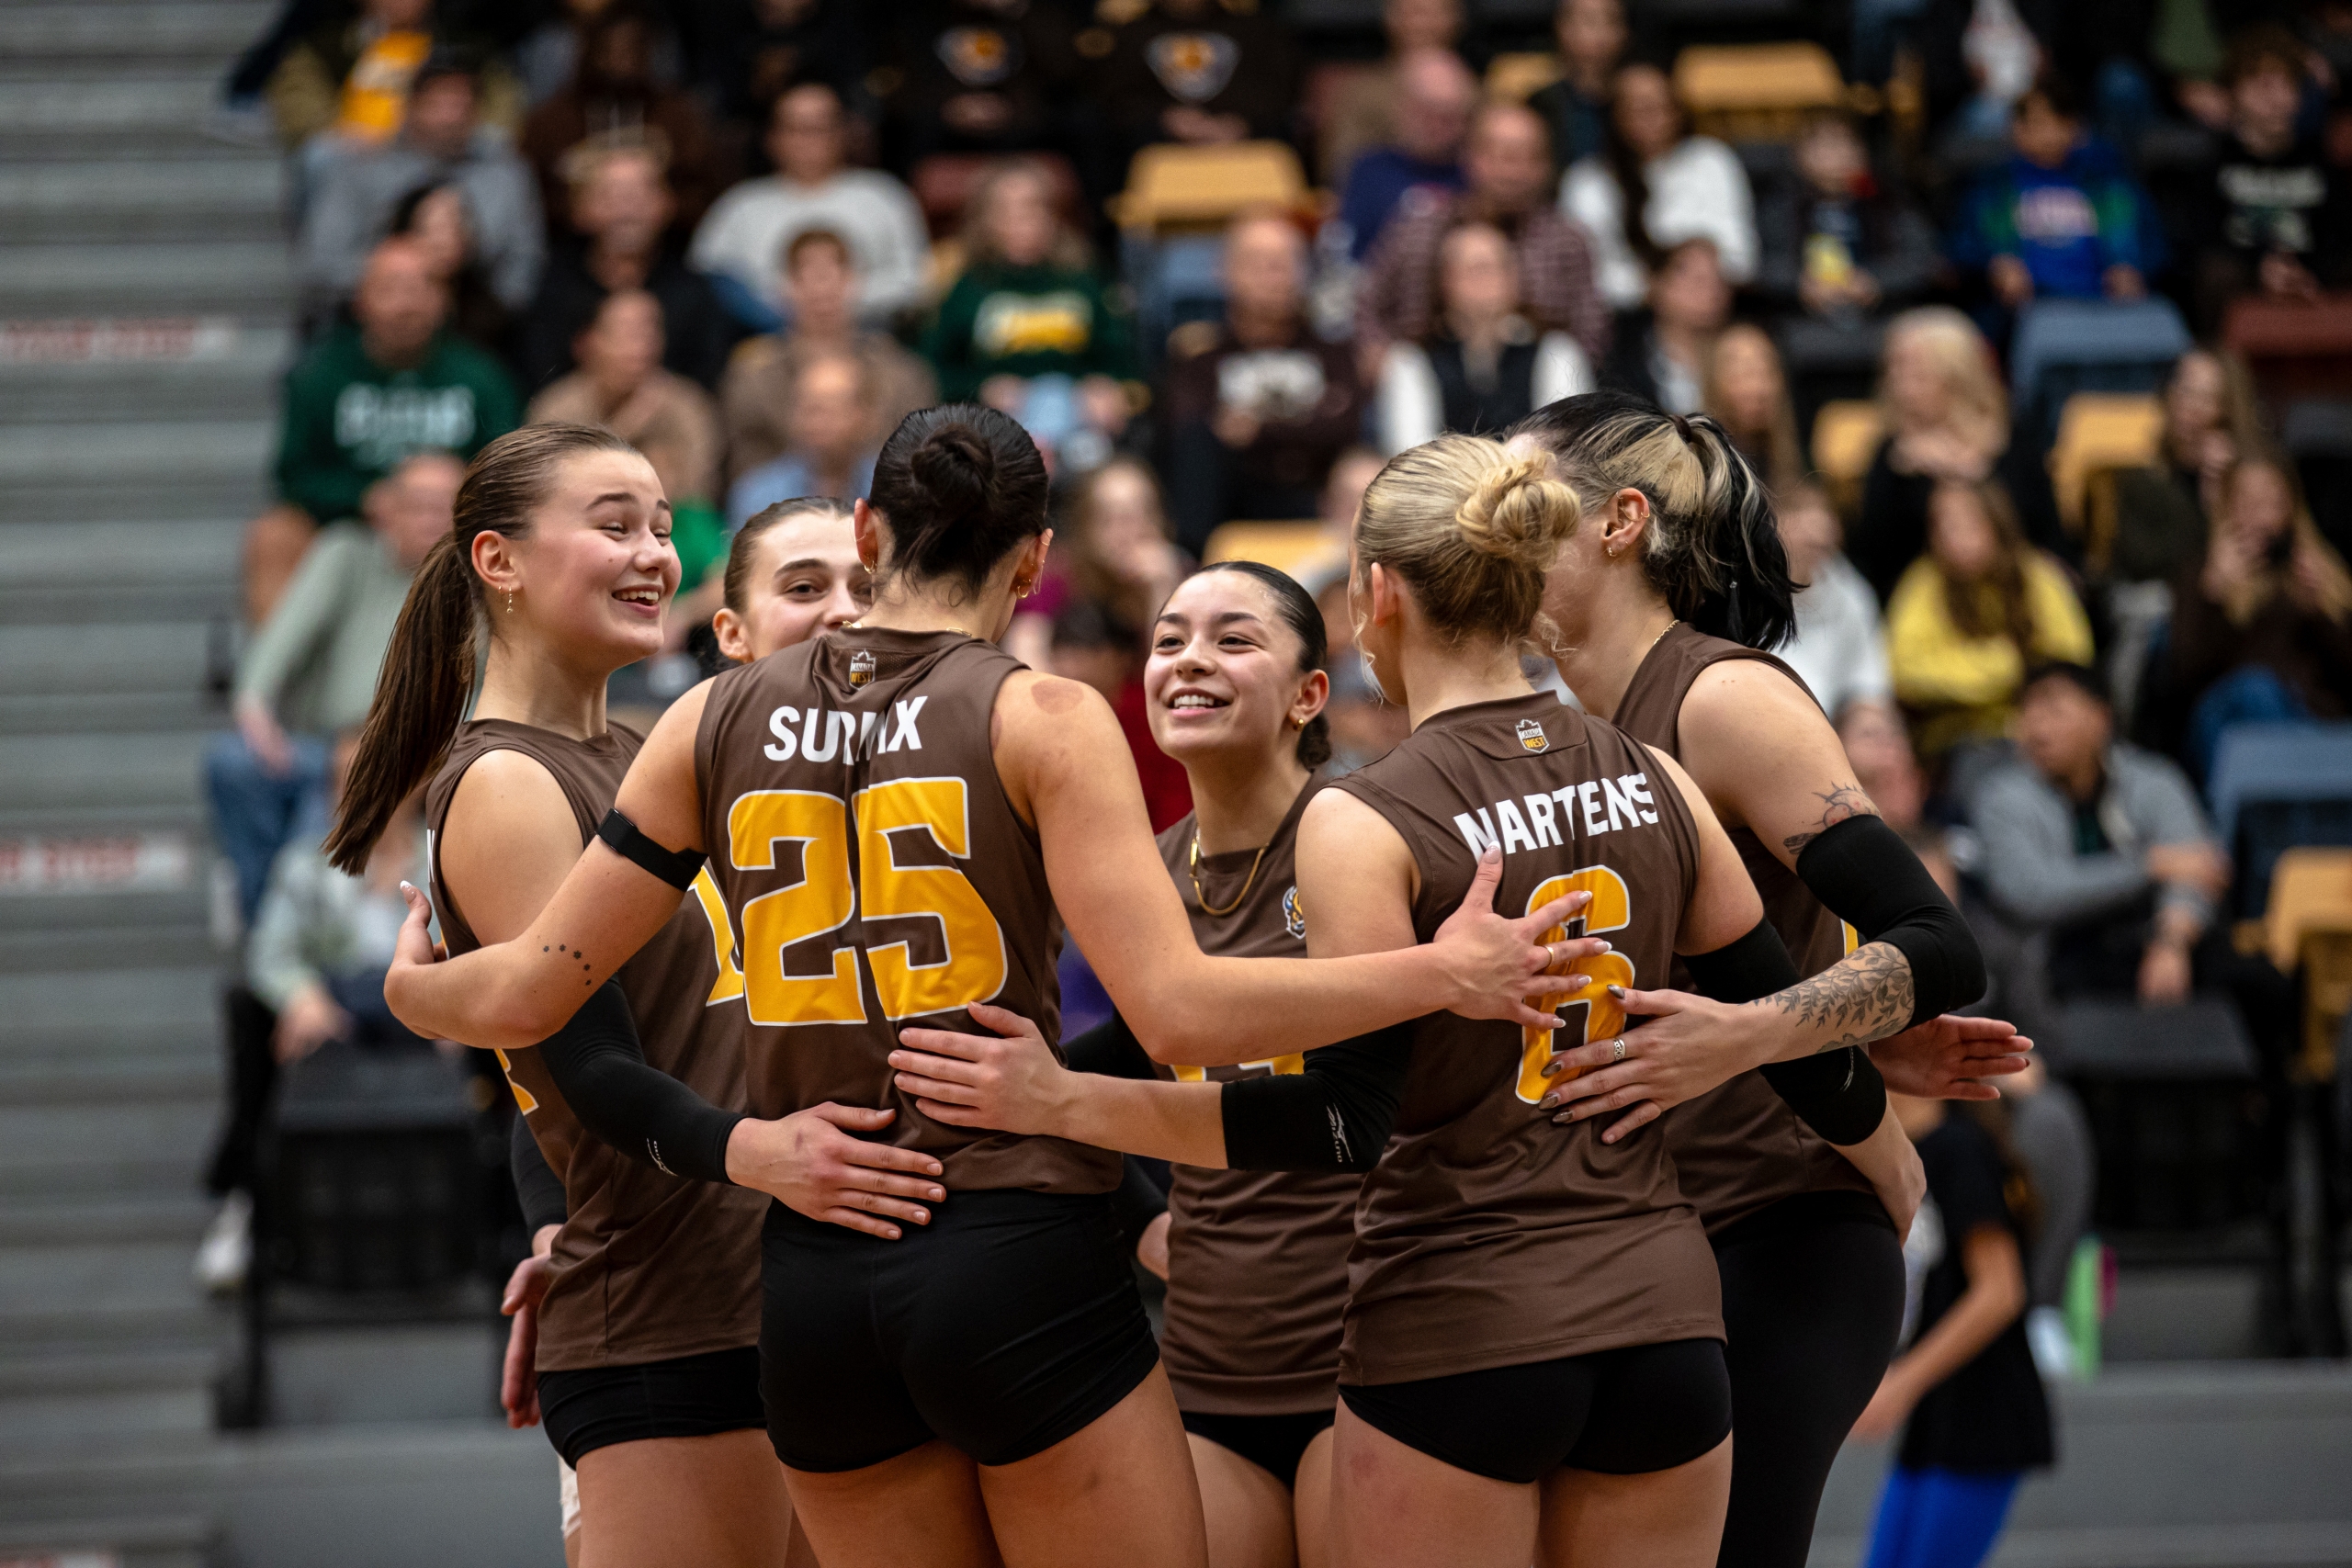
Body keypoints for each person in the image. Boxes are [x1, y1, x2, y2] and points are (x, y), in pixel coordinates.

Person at [375, 404, 1587, 1568]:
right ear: (1035, 561)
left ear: (865, 532)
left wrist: (415, 991)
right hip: (1004, 1242)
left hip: (812, 1278)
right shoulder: (1041, 712)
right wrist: (1438, 969)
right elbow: (1179, 1015)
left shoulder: (703, 717)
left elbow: (536, 995)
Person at [887, 433, 1941, 1568]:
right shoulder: (1654, 772)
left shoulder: (1365, 816)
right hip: (1662, 1322)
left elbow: (1344, 1124)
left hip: (1461, 1321)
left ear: (1373, 595)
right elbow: (1786, 1021)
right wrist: (1885, 1157)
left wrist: (1068, 1107)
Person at [325, 427, 910, 1568]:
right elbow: (586, 1071)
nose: (652, 553)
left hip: (762, 1291)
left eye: (658, 525)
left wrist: (556, 1214)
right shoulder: (504, 780)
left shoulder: (640, 753)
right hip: (667, 1316)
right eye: (613, 524)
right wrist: (762, 1156)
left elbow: (609, 1055)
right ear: (498, 560)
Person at [1510, 391, 2030, 1568]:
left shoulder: (1723, 696)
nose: (1488, 528)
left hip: (1779, 1227)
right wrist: (1831, 1030)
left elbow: (1937, 940)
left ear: (1618, 522)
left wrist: (1753, 1033)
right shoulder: (1555, 723)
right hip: (1632, 1231)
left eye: (1519, 498)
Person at [195, 729, 434, 1294]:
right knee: (256, 1014)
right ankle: (250, 1204)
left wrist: (453, 1011)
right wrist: (302, 997)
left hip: (425, 1016)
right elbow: (270, 955)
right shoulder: (308, 864)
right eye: (345, 777)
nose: (359, 787)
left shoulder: (442, 856)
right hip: (337, 1021)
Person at [215, 451, 464, 928]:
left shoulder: (479, 580)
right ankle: (264, 937)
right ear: (385, 508)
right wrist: (253, 706)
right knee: (233, 763)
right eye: (419, 504)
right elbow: (281, 640)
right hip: (327, 747)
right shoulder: (347, 554)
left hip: (427, 757)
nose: (431, 519)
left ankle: (302, 940)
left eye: (445, 506)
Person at [250, 237, 520, 623]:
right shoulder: (321, 374)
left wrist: (450, 498)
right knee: (274, 535)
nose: (406, 304)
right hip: (352, 525)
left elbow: (509, 468)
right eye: (390, 290)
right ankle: (276, 677)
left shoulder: (481, 375)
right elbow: (293, 472)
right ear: (360, 302)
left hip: (451, 524)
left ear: (442, 301)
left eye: (419, 289)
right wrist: (365, 496)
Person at [1851, 1096, 2053, 1568]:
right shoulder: (1891, 1153)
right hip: (1933, 1418)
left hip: (1983, 1414)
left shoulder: (1957, 1148)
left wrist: (1902, 1384)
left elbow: (2000, 1291)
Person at [1972, 662, 2234, 1010]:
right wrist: (2148, 866)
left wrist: (2172, 940)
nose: (2037, 728)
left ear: (2100, 720)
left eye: (2054, 712)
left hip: (2152, 936)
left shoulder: (2155, 781)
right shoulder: (2001, 795)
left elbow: (2199, 867)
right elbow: (2029, 892)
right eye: (2028, 713)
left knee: (2257, 982)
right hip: (2057, 953)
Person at [1357, 99, 1610, 378]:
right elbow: (1366, 303)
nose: (1514, 172)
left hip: (1539, 399)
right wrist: (1379, 353)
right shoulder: (1418, 228)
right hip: (1420, 385)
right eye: (1502, 155)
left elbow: (1592, 332)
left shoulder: (1567, 241)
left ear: (1547, 167)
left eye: (1530, 157)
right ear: (1470, 157)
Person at [1162, 212, 1368, 554]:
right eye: (1258, 263)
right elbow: (1192, 432)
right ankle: (1191, 567)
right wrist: (1307, 424)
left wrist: (1258, 431)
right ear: (1225, 273)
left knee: (1361, 470)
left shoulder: (1335, 354)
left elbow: (1345, 428)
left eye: (1287, 262)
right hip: (1234, 502)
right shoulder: (1200, 362)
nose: (1275, 275)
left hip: (1317, 496)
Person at [299, 53, 544, 329]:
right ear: (410, 105)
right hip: (365, 321)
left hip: (478, 327)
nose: (450, 117)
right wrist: (403, 277)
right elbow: (321, 267)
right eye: (437, 104)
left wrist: (479, 304)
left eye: (461, 105)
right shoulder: (360, 166)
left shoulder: (507, 173)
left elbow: (523, 263)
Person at [920, 160, 1138, 458]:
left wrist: (1104, 386)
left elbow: (1122, 357)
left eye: (1032, 208)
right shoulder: (969, 289)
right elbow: (935, 369)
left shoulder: (1082, 281)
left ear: (1053, 216)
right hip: (998, 425)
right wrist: (981, 390)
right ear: (985, 221)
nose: (1020, 220)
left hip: (1078, 419)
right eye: (1006, 211)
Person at [1849, 308, 2064, 605]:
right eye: (1893, 370)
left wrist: (1971, 473)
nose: (1898, 386)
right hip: (1920, 607)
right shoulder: (1891, 453)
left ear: (1957, 374)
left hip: (2015, 598)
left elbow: (2046, 532)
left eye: (1916, 373)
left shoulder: (2011, 439)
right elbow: (1875, 554)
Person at [2165, 454, 2352, 773]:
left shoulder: (2323, 573)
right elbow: (2180, 681)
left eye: (2273, 502)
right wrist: (2215, 601)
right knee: (2256, 690)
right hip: (2225, 724)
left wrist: (2320, 614)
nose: (2262, 515)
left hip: (2311, 721)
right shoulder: (2200, 574)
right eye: (2249, 502)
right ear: (2226, 507)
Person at [689, 83, 931, 330]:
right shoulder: (739, 206)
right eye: (796, 128)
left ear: (843, 133)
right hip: (765, 346)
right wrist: (773, 313)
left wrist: (843, 300)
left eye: (820, 127)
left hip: (871, 344)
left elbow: (917, 280)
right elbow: (706, 279)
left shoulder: (884, 196)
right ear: (772, 138)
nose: (808, 140)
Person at [1885, 479, 2094, 761]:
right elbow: (1906, 671)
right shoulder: (1923, 583)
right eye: (1941, 524)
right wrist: (2005, 665)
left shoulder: (2036, 574)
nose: (1951, 535)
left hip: (2041, 727)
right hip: (1961, 738)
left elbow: (2072, 658)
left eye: (1965, 521)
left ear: (1996, 521)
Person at [514, 141, 741, 394]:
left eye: (642, 193)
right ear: (580, 208)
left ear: (667, 203)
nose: (628, 209)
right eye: (610, 195)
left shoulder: (694, 292)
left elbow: (706, 383)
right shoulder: (553, 290)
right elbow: (540, 381)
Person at [720, 229, 936, 487]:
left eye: (833, 273)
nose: (822, 288)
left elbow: (921, 462)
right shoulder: (752, 380)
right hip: (780, 511)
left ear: (855, 281)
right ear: (784, 286)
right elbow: (743, 472)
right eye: (807, 275)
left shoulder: (903, 374)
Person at [1950, 73, 2157, 323]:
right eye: (2037, 123)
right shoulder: (1992, 189)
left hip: (2106, 307)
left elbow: (2155, 249)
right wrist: (1996, 265)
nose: (2049, 133)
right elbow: (1960, 253)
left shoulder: (2109, 186)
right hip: (2022, 316)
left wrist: (2130, 267)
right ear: (2017, 128)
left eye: (2058, 121)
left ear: (2076, 127)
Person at [2184, 26, 2351, 334]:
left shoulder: (2322, 165)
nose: (2276, 98)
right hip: (2244, 277)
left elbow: (2339, 235)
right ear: (2234, 92)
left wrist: (2308, 272)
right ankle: (2221, 370)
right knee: (2216, 272)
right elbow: (2201, 241)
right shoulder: (2213, 166)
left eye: (2287, 85)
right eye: (2262, 85)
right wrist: (2260, 267)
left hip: (2312, 275)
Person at [1376, 221, 1593, 453]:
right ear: (1445, 280)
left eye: (1499, 267)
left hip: (1535, 482)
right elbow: (1409, 451)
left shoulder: (1555, 350)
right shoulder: (1411, 357)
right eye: (1477, 268)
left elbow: (1567, 444)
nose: (1488, 280)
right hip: (1444, 482)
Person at [1561, 62, 1756, 313]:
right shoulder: (1587, 182)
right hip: (1621, 320)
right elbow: (1583, 277)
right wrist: (1651, 289)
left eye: (1660, 105)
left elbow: (1741, 260)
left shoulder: (1712, 160)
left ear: (1678, 110)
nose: (1652, 117)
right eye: (1637, 107)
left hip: (1711, 310)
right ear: (1614, 115)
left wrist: (1691, 279)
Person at [526, 289, 724, 535]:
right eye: (624, 333)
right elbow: (548, 494)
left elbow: (699, 495)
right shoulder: (557, 408)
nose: (640, 346)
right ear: (586, 342)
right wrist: (625, 428)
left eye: (649, 332)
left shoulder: (688, 406)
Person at [517, 6, 720, 233]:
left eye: (632, 50)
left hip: (666, 247)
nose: (621, 60)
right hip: (568, 246)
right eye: (610, 49)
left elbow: (704, 191)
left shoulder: (677, 116)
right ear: (588, 51)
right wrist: (577, 210)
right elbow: (527, 195)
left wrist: (663, 208)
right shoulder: (551, 119)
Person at [1751, 110, 1939, 322]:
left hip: (1884, 314)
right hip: (1799, 317)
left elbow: (1922, 259)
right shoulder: (1779, 207)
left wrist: (1875, 281)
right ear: (1798, 154)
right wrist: (1801, 284)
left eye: (1843, 144)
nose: (1834, 156)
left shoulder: (1889, 202)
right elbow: (1757, 263)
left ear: (1861, 153)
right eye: (1823, 146)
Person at [2108, 348, 2266, 583]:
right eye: (2184, 390)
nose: (2191, 406)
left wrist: (2222, 493)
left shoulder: (2250, 474)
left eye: (2206, 397)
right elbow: (2141, 563)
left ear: (2228, 410)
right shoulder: (2142, 479)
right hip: (2163, 599)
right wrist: (2204, 511)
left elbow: (2269, 546)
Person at [1093, 0, 1300, 166]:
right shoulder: (1130, 34)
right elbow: (1117, 99)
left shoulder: (1256, 28)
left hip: (1244, 141)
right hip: (1156, 143)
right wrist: (1166, 119)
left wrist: (1239, 123)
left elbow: (1277, 92)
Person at [882, 0, 1083, 165]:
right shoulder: (918, 17)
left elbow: (1065, 73)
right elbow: (899, 90)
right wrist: (948, 110)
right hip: (943, 137)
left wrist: (1015, 8)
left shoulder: (1035, 14)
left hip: (1023, 134)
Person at [1334, 48, 1475, 264]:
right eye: (1427, 113)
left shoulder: (1477, 173)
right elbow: (1351, 256)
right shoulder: (1369, 172)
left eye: (1449, 116)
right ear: (1402, 108)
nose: (1437, 126)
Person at [1776, 480, 1895, 726]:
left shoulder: (1849, 591)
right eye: (1805, 540)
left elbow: (1870, 680)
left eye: (1821, 544)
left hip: (1830, 724)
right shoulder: (1743, 592)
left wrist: (1866, 719)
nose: (1814, 548)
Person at [1319, 0, 1467, 185]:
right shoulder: (1362, 93)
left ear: (1456, 20)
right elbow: (1340, 166)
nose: (1424, 24)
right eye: (1415, 12)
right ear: (1390, 19)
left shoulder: (1475, 92)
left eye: (1437, 13)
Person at [725, 353, 878, 525]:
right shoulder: (757, 493)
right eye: (810, 409)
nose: (819, 422)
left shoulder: (894, 492)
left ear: (867, 416)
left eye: (832, 408)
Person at [1595, 237, 1729, 418]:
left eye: (1718, 280)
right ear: (1658, 284)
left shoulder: (1741, 352)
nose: (1713, 291)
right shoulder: (1623, 356)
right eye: (1698, 280)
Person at [384, 179, 511, 355]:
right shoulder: (381, 307)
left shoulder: (489, 316)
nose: (443, 241)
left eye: (454, 226)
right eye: (431, 228)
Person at [1527, 0, 1631, 173]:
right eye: (1590, 21)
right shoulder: (1540, 104)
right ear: (1562, 28)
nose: (1601, 33)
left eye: (1611, 21)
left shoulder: (1637, 100)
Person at [1701, 323, 1804, 492]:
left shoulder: (1797, 457)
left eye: (1766, 373)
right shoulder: (1691, 464)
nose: (1757, 388)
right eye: (1743, 374)